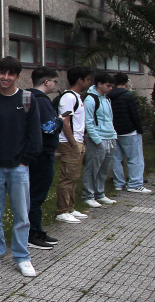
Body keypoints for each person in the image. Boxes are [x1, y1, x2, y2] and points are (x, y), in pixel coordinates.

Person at [0, 56, 42, 278]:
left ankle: (22, 257)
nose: (6, 77)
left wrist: (26, 159)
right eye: (2, 73)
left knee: (22, 215)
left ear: (17, 76)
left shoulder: (28, 99)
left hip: (18, 167)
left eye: (11, 74)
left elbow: (35, 134)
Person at [26, 66, 63, 250]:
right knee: (36, 194)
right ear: (46, 82)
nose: (56, 85)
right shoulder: (41, 101)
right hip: (42, 153)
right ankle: (32, 233)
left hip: (36, 153)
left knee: (35, 194)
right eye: (55, 82)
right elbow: (48, 127)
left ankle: (36, 229)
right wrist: (61, 120)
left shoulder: (28, 98)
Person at [54, 67, 93, 224]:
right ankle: (62, 211)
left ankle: (70, 207)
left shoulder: (77, 97)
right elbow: (65, 121)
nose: (90, 83)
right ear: (80, 80)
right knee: (67, 176)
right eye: (88, 79)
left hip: (77, 141)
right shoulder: (69, 97)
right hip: (69, 142)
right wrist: (73, 143)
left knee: (74, 176)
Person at [109, 72, 151, 194]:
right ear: (126, 82)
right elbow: (135, 115)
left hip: (113, 131)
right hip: (129, 131)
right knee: (135, 158)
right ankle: (135, 184)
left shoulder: (108, 96)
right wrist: (139, 129)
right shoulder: (129, 96)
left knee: (116, 159)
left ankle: (119, 183)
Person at [81, 72, 118, 208]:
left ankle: (99, 193)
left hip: (110, 136)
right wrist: (96, 140)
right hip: (98, 138)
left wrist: (113, 135)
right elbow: (88, 122)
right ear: (99, 84)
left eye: (111, 86)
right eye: (108, 86)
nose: (110, 88)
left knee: (104, 167)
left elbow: (109, 119)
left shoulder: (106, 99)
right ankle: (88, 195)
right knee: (92, 167)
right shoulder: (91, 100)